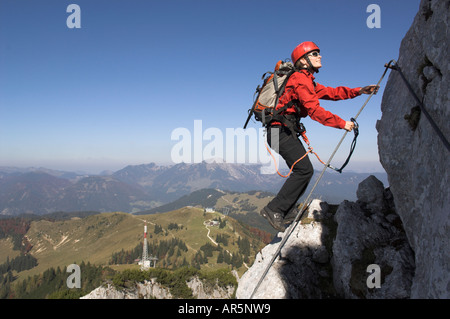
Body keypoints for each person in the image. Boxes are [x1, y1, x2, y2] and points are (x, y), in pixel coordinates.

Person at [260, 41, 379, 232]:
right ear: (304, 61)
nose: (320, 56)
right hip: (279, 131)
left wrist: (359, 91)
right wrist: (342, 123)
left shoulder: (306, 80)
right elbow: (314, 110)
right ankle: (274, 209)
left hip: (279, 131)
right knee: (304, 170)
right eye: (314, 53)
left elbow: (332, 93)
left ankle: (285, 210)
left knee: (304, 169)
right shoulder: (300, 79)